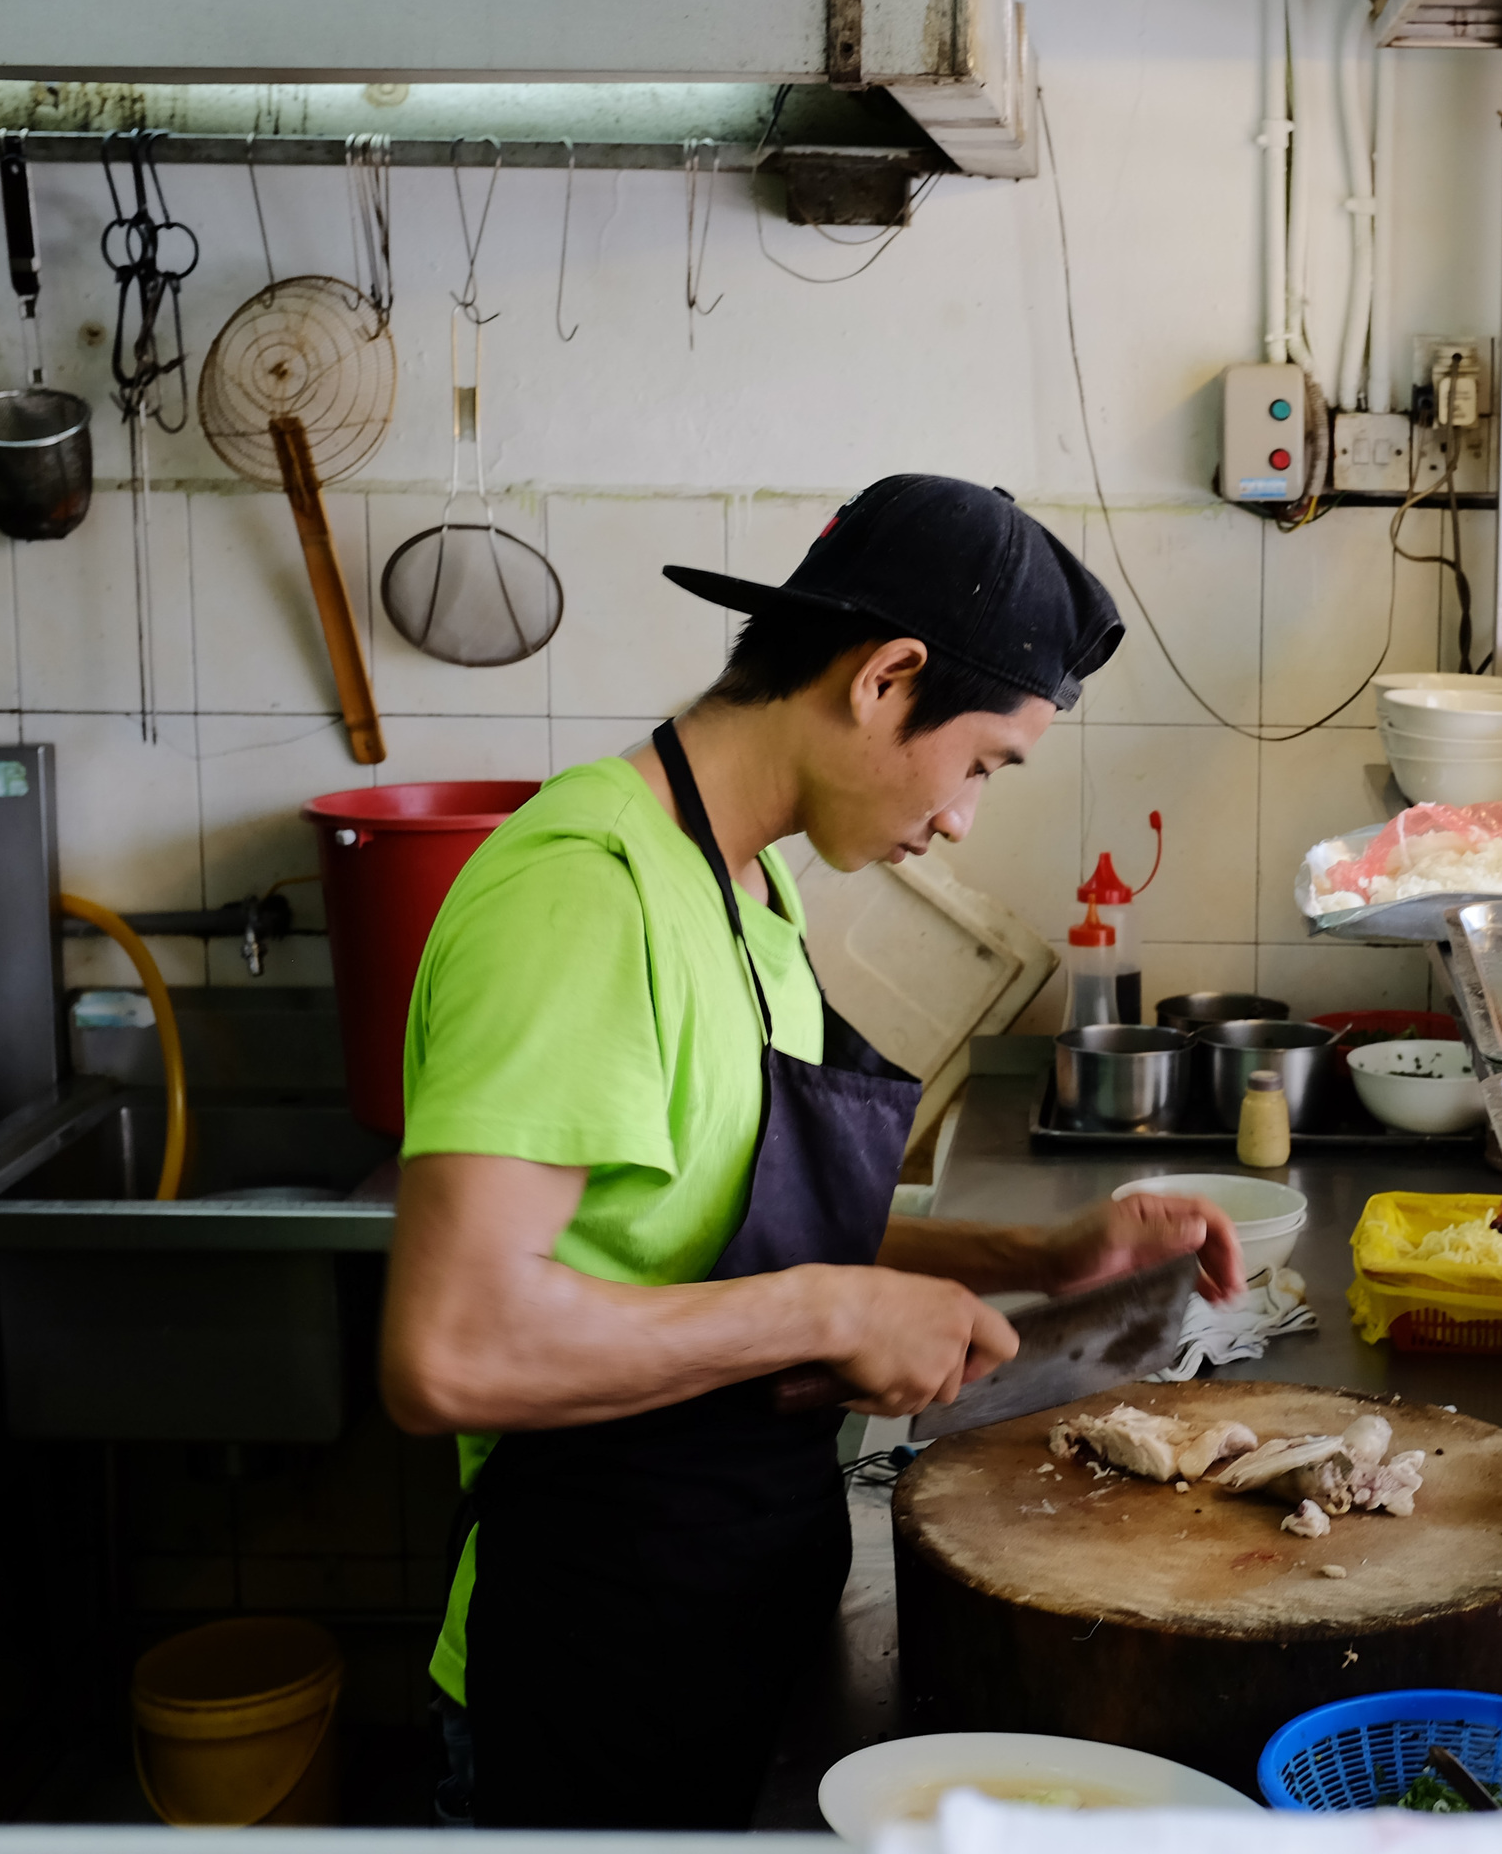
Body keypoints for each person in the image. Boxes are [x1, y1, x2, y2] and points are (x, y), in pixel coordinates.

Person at [378, 475, 1243, 1831]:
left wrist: (1037, 1255)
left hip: (730, 1606)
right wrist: (834, 1310)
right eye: (982, 765)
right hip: (586, 1652)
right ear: (887, 680)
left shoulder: (747, 884)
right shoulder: (582, 895)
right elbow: (452, 1349)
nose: (963, 819)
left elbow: (726, 1214)